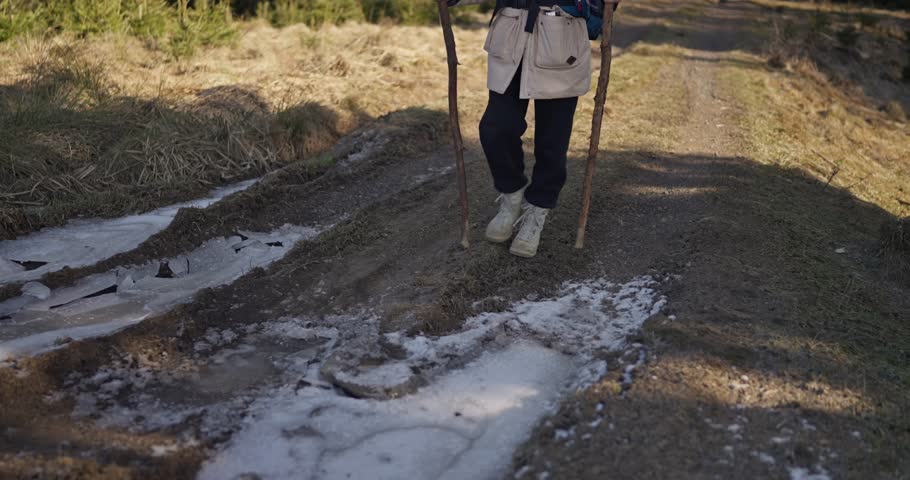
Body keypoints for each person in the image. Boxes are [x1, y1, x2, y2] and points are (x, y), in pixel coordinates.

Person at [448, 0, 612, 257]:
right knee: (495, 128)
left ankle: (537, 211)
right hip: (512, 37)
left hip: (561, 41)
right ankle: (512, 195)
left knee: (552, 143)